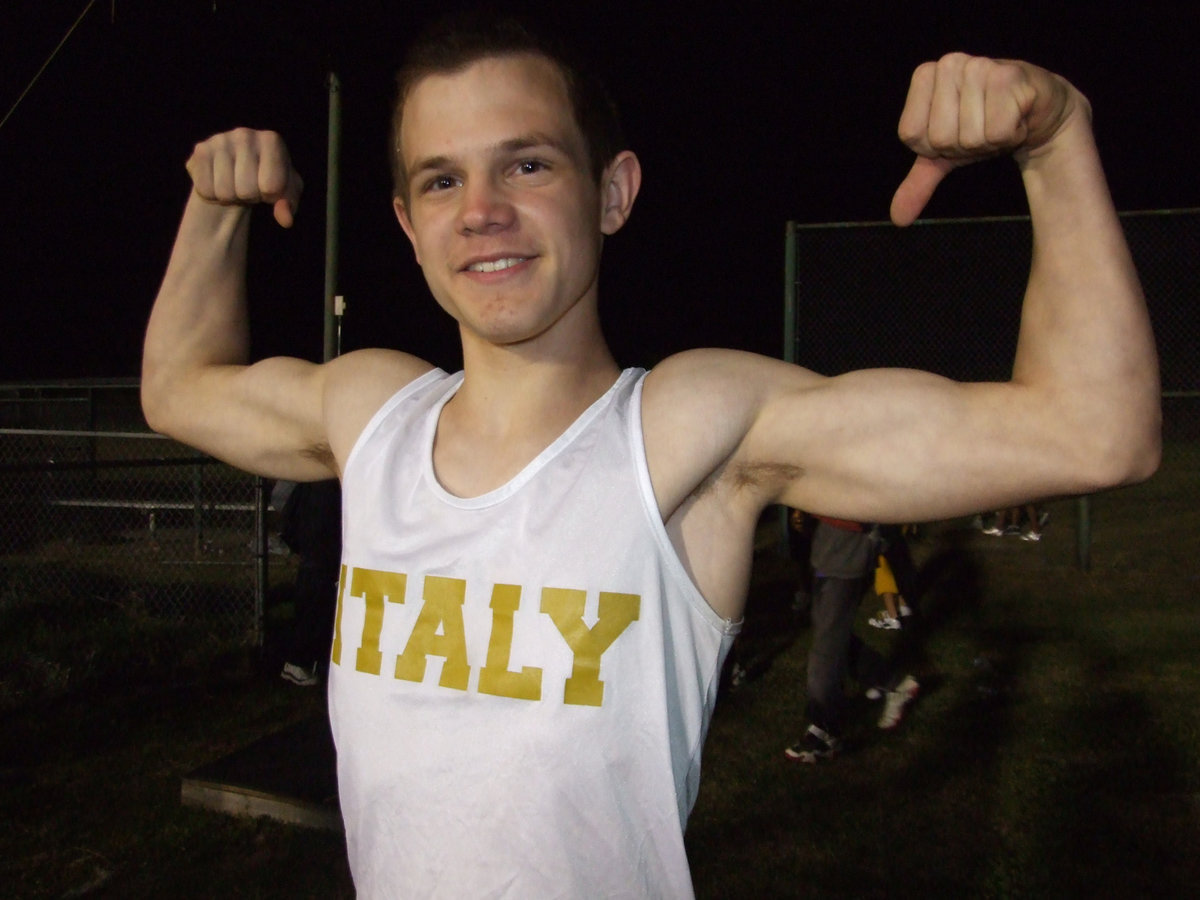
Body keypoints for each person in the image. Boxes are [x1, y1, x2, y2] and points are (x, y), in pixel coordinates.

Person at [139, 13, 1159, 898]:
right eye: (442, 179)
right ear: (409, 226)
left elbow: (1094, 431)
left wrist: (1055, 142)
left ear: (612, 193)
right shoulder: (374, 413)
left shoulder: (687, 432)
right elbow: (177, 389)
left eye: (527, 164)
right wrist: (213, 212)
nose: (482, 209)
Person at [785, 517, 919, 763]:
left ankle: (825, 730)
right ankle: (890, 679)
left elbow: (869, 507)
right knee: (829, 634)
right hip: (829, 548)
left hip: (848, 553)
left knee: (825, 648)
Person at [275, 478, 342, 686]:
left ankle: (304, 659)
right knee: (317, 584)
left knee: (318, 581)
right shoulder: (322, 485)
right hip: (319, 515)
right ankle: (300, 660)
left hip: (318, 514)